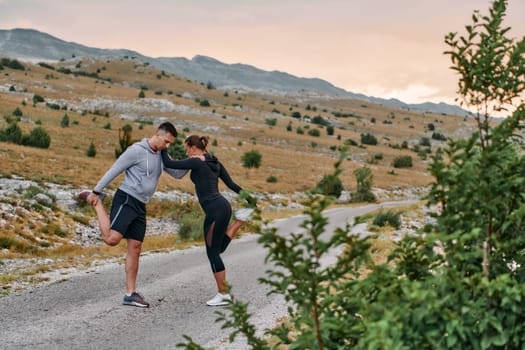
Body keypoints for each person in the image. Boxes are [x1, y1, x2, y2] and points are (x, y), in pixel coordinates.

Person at [78, 122, 187, 308]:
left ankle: (130, 293)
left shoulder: (161, 155)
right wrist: (96, 191)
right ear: (158, 135)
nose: (167, 146)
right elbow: (115, 169)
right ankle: (97, 202)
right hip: (127, 199)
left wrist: (195, 159)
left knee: (135, 247)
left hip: (141, 205)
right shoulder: (136, 151)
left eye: (170, 143)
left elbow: (177, 175)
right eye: (167, 142)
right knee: (112, 239)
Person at [161, 135, 253, 306]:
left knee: (213, 253)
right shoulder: (214, 162)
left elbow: (169, 163)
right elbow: (231, 184)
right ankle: (239, 221)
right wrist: (250, 199)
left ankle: (223, 294)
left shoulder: (196, 161)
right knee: (218, 249)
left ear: (192, 147)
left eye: (186, 148)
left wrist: (163, 145)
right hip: (223, 207)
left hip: (214, 210)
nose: (186, 152)